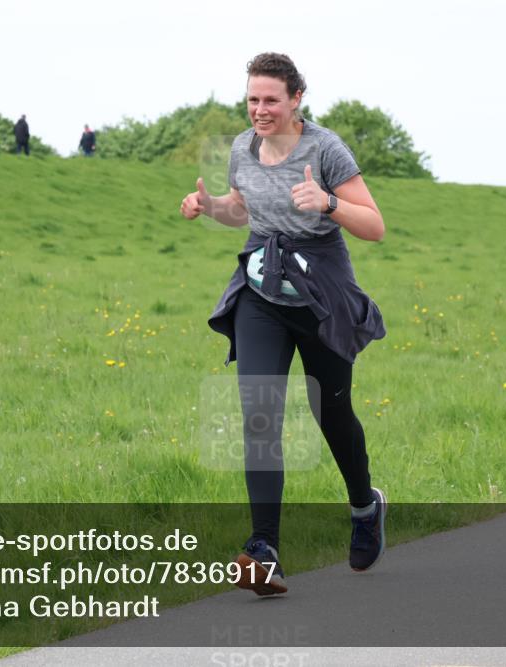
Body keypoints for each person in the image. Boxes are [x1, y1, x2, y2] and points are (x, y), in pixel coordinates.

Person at [180, 52, 388, 597]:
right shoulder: (243, 149)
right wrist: (210, 206)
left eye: (271, 99)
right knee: (259, 412)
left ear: (296, 99)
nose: (260, 109)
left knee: (331, 411)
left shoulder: (326, 148)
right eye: (253, 99)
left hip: (320, 294)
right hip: (262, 290)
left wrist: (327, 202)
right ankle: (263, 550)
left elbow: (374, 226)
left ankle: (365, 507)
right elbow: (244, 210)